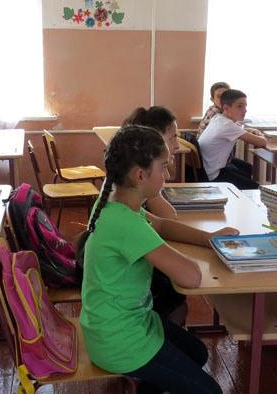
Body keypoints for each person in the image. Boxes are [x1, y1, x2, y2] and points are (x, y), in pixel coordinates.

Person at [78, 125, 237, 394]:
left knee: (197, 353)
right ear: (140, 175)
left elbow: (162, 226)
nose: (168, 174)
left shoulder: (114, 205)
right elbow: (192, 277)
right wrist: (179, 256)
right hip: (119, 340)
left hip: (117, 324)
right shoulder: (126, 224)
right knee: (211, 391)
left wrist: (209, 238)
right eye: (163, 168)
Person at [121, 106, 186, 325]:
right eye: (173, 137)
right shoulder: (136, 189)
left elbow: (163, 222)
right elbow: (169, 217)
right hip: (132, 286)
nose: (177, 145)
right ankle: (166, 332)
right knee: (174, 289)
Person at [198, 89, 267, 190]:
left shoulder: (217, 118)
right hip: (214, 176)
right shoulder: (227, 126)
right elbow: (262, 142)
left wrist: (248, 131)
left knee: (246, 168)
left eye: (245, 106)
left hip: (207, 170)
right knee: (257, 189)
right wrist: (261, 135)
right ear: (226, 108)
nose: (245, 110)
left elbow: (237, 128)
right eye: (240, 106)